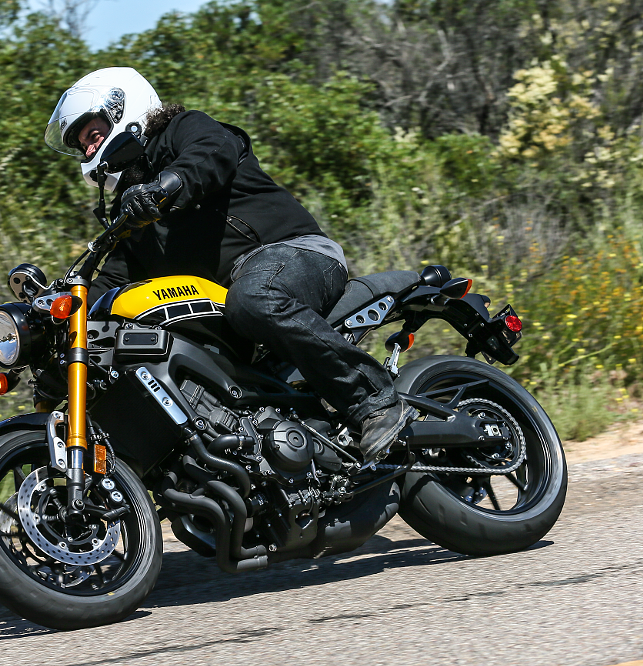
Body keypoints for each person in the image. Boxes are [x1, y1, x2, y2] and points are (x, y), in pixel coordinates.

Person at [44, 67, 417, 464]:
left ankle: (374, 401)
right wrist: (58, 307)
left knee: (256, 297)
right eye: (80, 144)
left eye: (92, 134)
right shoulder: (130, 209)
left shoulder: (183, 131)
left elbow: (212, 153)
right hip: (228, 301)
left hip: (294, 254)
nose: (87, 150)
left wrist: (166, 184)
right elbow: (116, 280)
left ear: (124, 110)